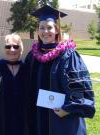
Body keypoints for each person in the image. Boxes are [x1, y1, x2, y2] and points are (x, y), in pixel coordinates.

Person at [25, 5, 95, 135]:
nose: (45, 31)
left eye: (49, 27)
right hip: (37, 117)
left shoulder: (68, 56)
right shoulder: (32, 56)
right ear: (38, 30)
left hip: (61, 120)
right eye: (42, 28)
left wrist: (68, 109)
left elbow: (80, 88)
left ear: (57, 30)